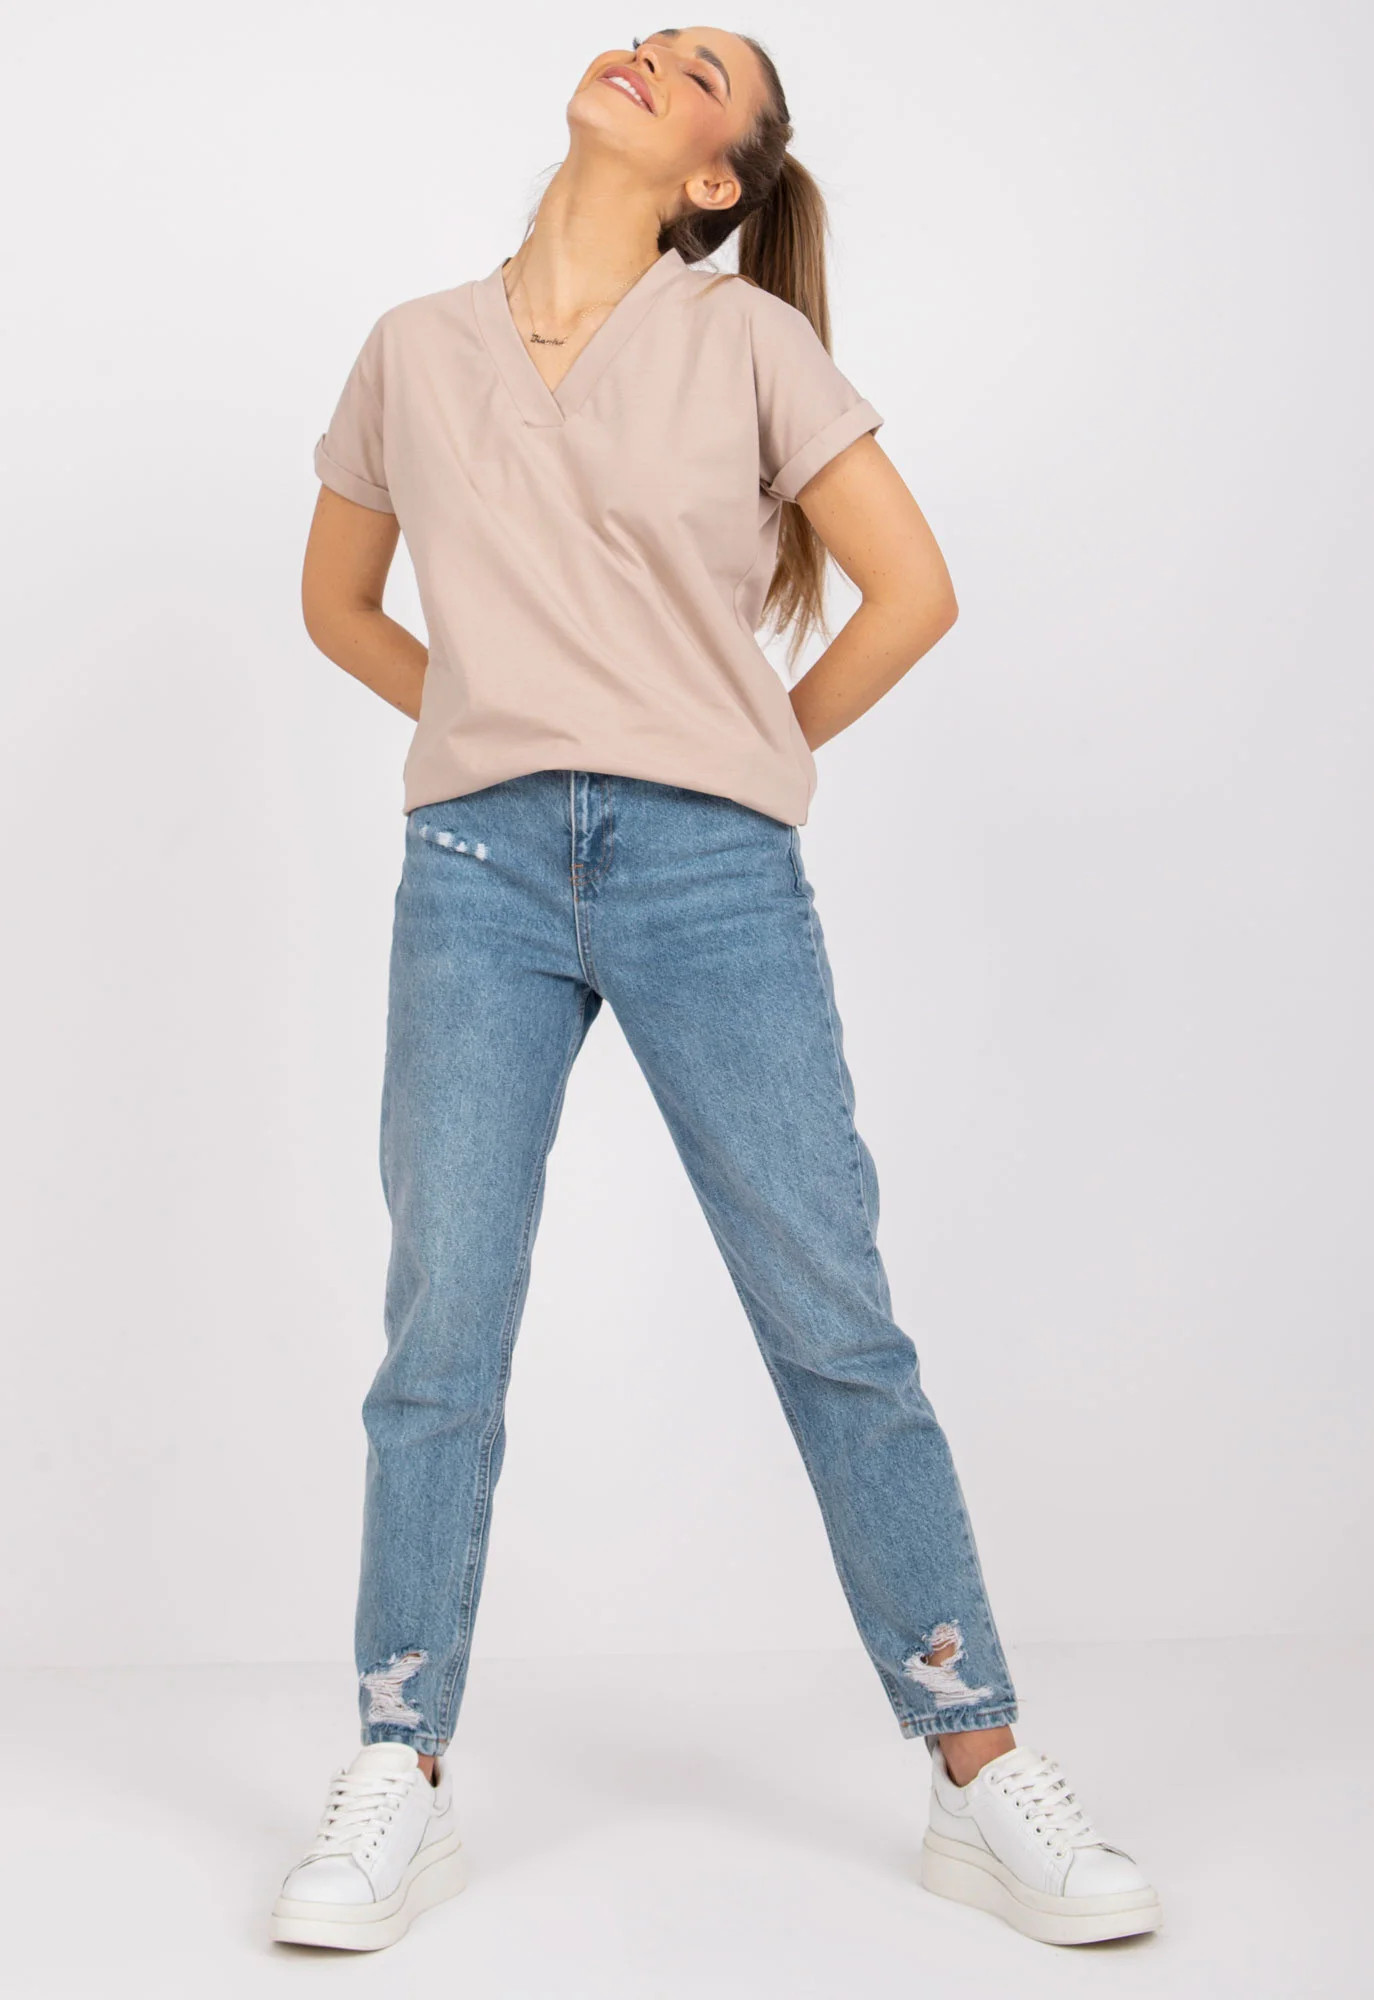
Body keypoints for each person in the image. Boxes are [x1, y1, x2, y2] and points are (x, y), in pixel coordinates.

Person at [274, 24, 1162, 1956]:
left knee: (834, 1319)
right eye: (650, 39)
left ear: (713, 182)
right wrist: (496, 720)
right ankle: (399, 1764)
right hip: (477, 872)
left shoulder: (750, 341)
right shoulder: (412, 347)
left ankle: (977, 1763)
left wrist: (747, 752)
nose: (647, 56)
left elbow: (913, 592)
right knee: (442, 1328)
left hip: (711, 871)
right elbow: (339, 605)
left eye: (696, 77)